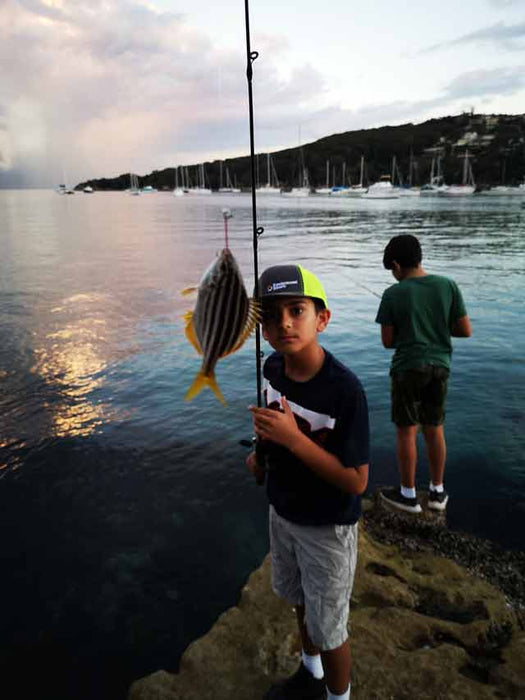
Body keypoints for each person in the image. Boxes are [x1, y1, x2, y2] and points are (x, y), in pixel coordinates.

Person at [246, 264, 369, 700]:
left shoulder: (345, 391)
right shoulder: (270, 367)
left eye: (296, 310)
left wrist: (295, 441)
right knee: (301, 601)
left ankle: (340, 696)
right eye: (271, 314)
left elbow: (356, 481)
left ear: (322, 318)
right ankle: (310, 672)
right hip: (283, 511)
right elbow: (272, 431)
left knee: (330, 626)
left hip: (326, 526)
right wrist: (261, 456)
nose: (283, 323)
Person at [375, 234, 472, 514]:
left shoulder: (394, 293)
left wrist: (410, 332)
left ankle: (407, 495)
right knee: (434, 427)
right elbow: (465, 330)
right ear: (419, 257)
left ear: (395, 264)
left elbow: (387, 341)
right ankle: (437, 492)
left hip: (407, 367)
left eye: (392, 271)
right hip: (440, 366)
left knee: (406, 431)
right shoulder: (447, 285)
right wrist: (438, 329)